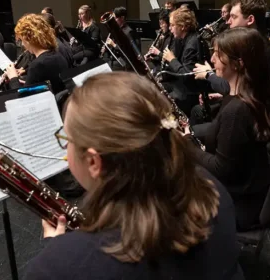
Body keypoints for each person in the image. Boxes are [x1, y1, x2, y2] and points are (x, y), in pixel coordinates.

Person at [24, 72, 243, 280]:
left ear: (93, 162)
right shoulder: (209, 186)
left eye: (67, 139)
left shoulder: (58, 268)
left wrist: (60, 252)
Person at [186, 28, 270, 231]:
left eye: (218, 54)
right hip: (246, 185)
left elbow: (221, 169)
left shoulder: (237, 110)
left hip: (236, 200)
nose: (212, 59)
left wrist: (188, 142)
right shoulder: (249, 93)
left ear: (239, 63)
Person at [2, 14, 69, 93]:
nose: (23, 44)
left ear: (29, 39)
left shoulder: (37, 65)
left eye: (22, 40)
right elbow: (46, 85)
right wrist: (26, 82)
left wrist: (13, 78)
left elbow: (23, 100)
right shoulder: (57, 55)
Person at [161, 8, 204, 116]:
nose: (170, 29)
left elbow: (186, 76)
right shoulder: (184, 39)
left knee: (163, 103)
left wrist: (172, 59)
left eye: (172, 25)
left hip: (191, 92)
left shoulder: (191, 45)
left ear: (183, 26)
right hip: (183, 85)